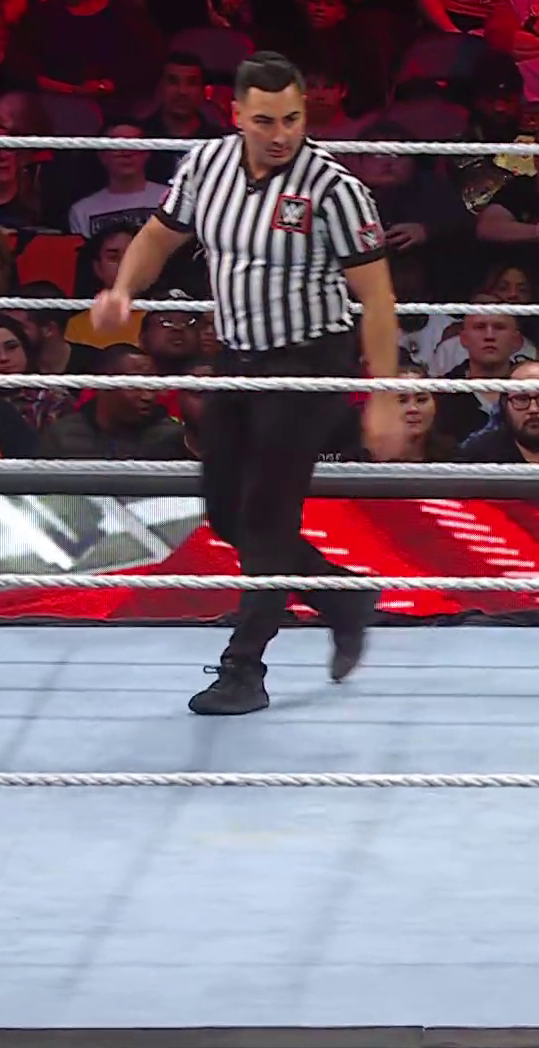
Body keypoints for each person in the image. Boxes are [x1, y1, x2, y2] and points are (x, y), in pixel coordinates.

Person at [89, 51, 406, 717]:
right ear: (236, 114)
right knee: (227, 512)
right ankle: (342, 596)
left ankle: (245, 667)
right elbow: (157, 237)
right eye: (265, 120)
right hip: (239, 359)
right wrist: (122, 290)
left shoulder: (335, 189)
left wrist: (381, 395)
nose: (280, 134)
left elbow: (377, 298)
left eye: (291, 118)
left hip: (311, 363)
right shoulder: (204, 166)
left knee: (266, 517)